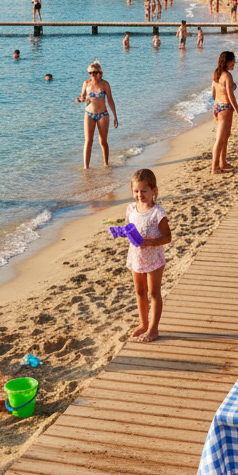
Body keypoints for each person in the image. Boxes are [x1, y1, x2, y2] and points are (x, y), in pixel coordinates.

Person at [125, 168, 172, 342]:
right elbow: (128, 228)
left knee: (153, 293)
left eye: (143, 191)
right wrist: (121, 232)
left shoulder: (158, 212)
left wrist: (150, 242)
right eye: (135, 191)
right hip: (136, 256)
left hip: (154, 258)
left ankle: (153, 329)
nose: (139, 195)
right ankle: (143, 324)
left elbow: (168, 237)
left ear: (154, 191)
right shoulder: (131, 208)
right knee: (140, 291)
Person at [76, 61, 118, 167]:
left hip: (103, 115)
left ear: (100, 72)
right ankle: (86, 168)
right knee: (88, 141)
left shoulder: (105, 84)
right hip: (89, 114)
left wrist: (115, 116)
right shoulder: (86, 84)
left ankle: (106, 164)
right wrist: (80, 100)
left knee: (103, 141)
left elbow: (110, 100)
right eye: (91, 73)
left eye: (95, 72)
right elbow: (83, 97)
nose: (93, 75)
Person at [211, 50, 238, 173]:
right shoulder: (227, 76)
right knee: (220, 139)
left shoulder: (216, 73)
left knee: (225, 137)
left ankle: (223, 163)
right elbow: (231, 96)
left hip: (217, 106)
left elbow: (213, 93)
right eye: (233, 62)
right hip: (225, 108)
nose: (234, 64)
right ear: (228, 61)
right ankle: (214, 167)